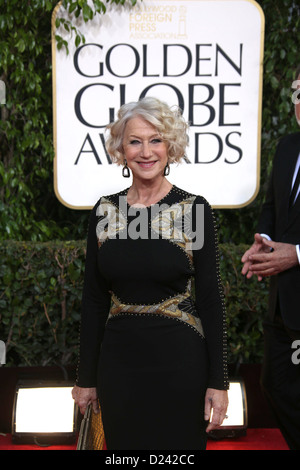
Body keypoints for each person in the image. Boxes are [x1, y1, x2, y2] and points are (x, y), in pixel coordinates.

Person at [72, 97, 229, 450]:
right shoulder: (104, 211)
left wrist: (218, 382)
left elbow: (210, 297)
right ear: (120, 149)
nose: (146, 152)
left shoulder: (195, 210)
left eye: (156, 140)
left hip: (180, 366)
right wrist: (86, 378)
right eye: (135, 141)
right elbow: (94, 300)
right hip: (120, 368)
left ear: (170, 147)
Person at [241, 66, 300, 450]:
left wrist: (296, 254)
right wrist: (262, 242)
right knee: (274, 385)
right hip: (284, 303)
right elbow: (273, 208)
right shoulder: (286, 147)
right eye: (298, 92)